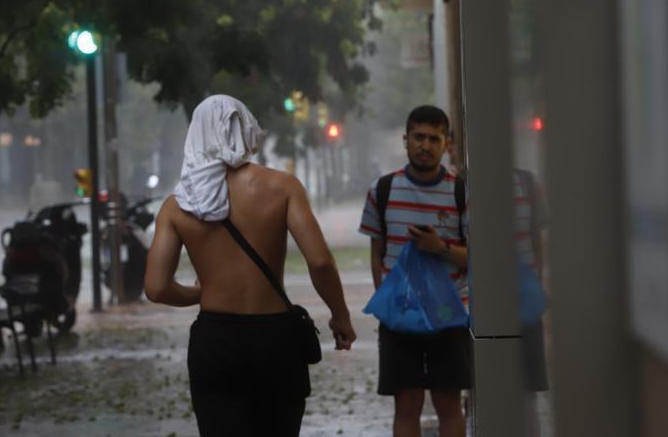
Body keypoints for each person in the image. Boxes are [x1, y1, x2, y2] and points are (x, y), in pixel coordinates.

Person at [144, 94, 356, 437]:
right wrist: (340, 315)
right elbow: (319, 262)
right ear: (246, 129)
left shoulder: (178, 205)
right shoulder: (282, 187)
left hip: (216, 341)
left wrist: (200, 293)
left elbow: (156, 288)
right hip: (276, 340)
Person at [358, 105, 470, 437]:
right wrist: (385, 300)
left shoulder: (461, 191)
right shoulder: (382, 190)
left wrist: (441, 248)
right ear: (405, 140)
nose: (425, 145)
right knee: (406, 404)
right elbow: (377, 250)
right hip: (399, 318)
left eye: (434, 139)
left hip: (449, 314)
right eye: (418, 137)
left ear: (446, 144)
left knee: (449, 403)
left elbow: (478, 258)